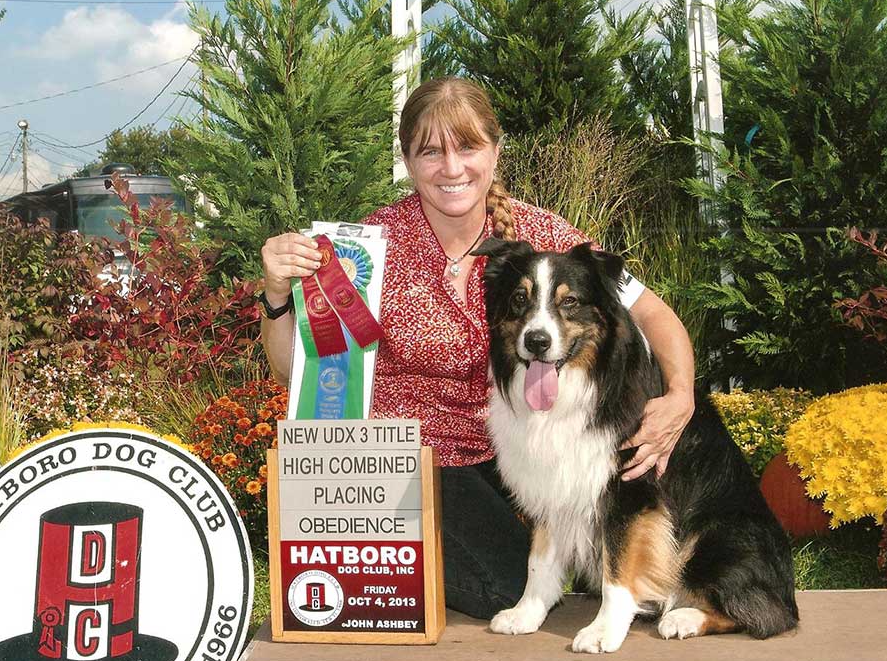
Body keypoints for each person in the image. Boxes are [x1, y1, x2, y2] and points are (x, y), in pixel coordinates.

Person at [259, 77, 696, 619]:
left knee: (566, 564)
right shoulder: (365, 247)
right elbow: (289, 371)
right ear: (408, 160)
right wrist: (278, 295)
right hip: (419, 459)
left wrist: (680, 395)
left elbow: (653, 313)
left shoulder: (542, 231)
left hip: (519, 452)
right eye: (431, 151)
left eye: (467, 146)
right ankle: (396, 549)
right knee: (510, 590)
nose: (451, 167)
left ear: (495, 149)